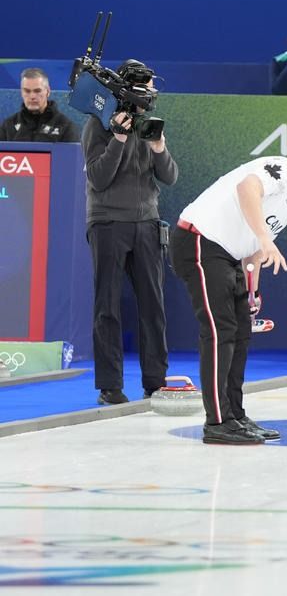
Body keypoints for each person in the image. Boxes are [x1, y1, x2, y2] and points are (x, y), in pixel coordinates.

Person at [171, 132, 287, 444]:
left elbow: (254, 243)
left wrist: (252, 288)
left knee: (241, 331)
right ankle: (217, 422)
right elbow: (247, 188)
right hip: (200, 241)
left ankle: (234, 415)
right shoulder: (286, 170)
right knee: (220, 332)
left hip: (228, 254)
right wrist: (265, 240)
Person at [81, 60, 178, 406]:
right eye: (148, 85)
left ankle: (156, 383)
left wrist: (159, 148)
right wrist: (119, 139)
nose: (152, 91)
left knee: (153, 306)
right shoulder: (98, 123)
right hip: (108, 223)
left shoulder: (150, 124)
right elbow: (98, 178)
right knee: (107, 306)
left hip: (147, 224)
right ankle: (110, 386)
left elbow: (170, 176)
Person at [1, 68, 80, 142]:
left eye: (37, 91)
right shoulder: (8, 126)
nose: (32, 96)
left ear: (47, 92)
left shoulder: (66, 127)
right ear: (21, 93)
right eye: (27, 91)